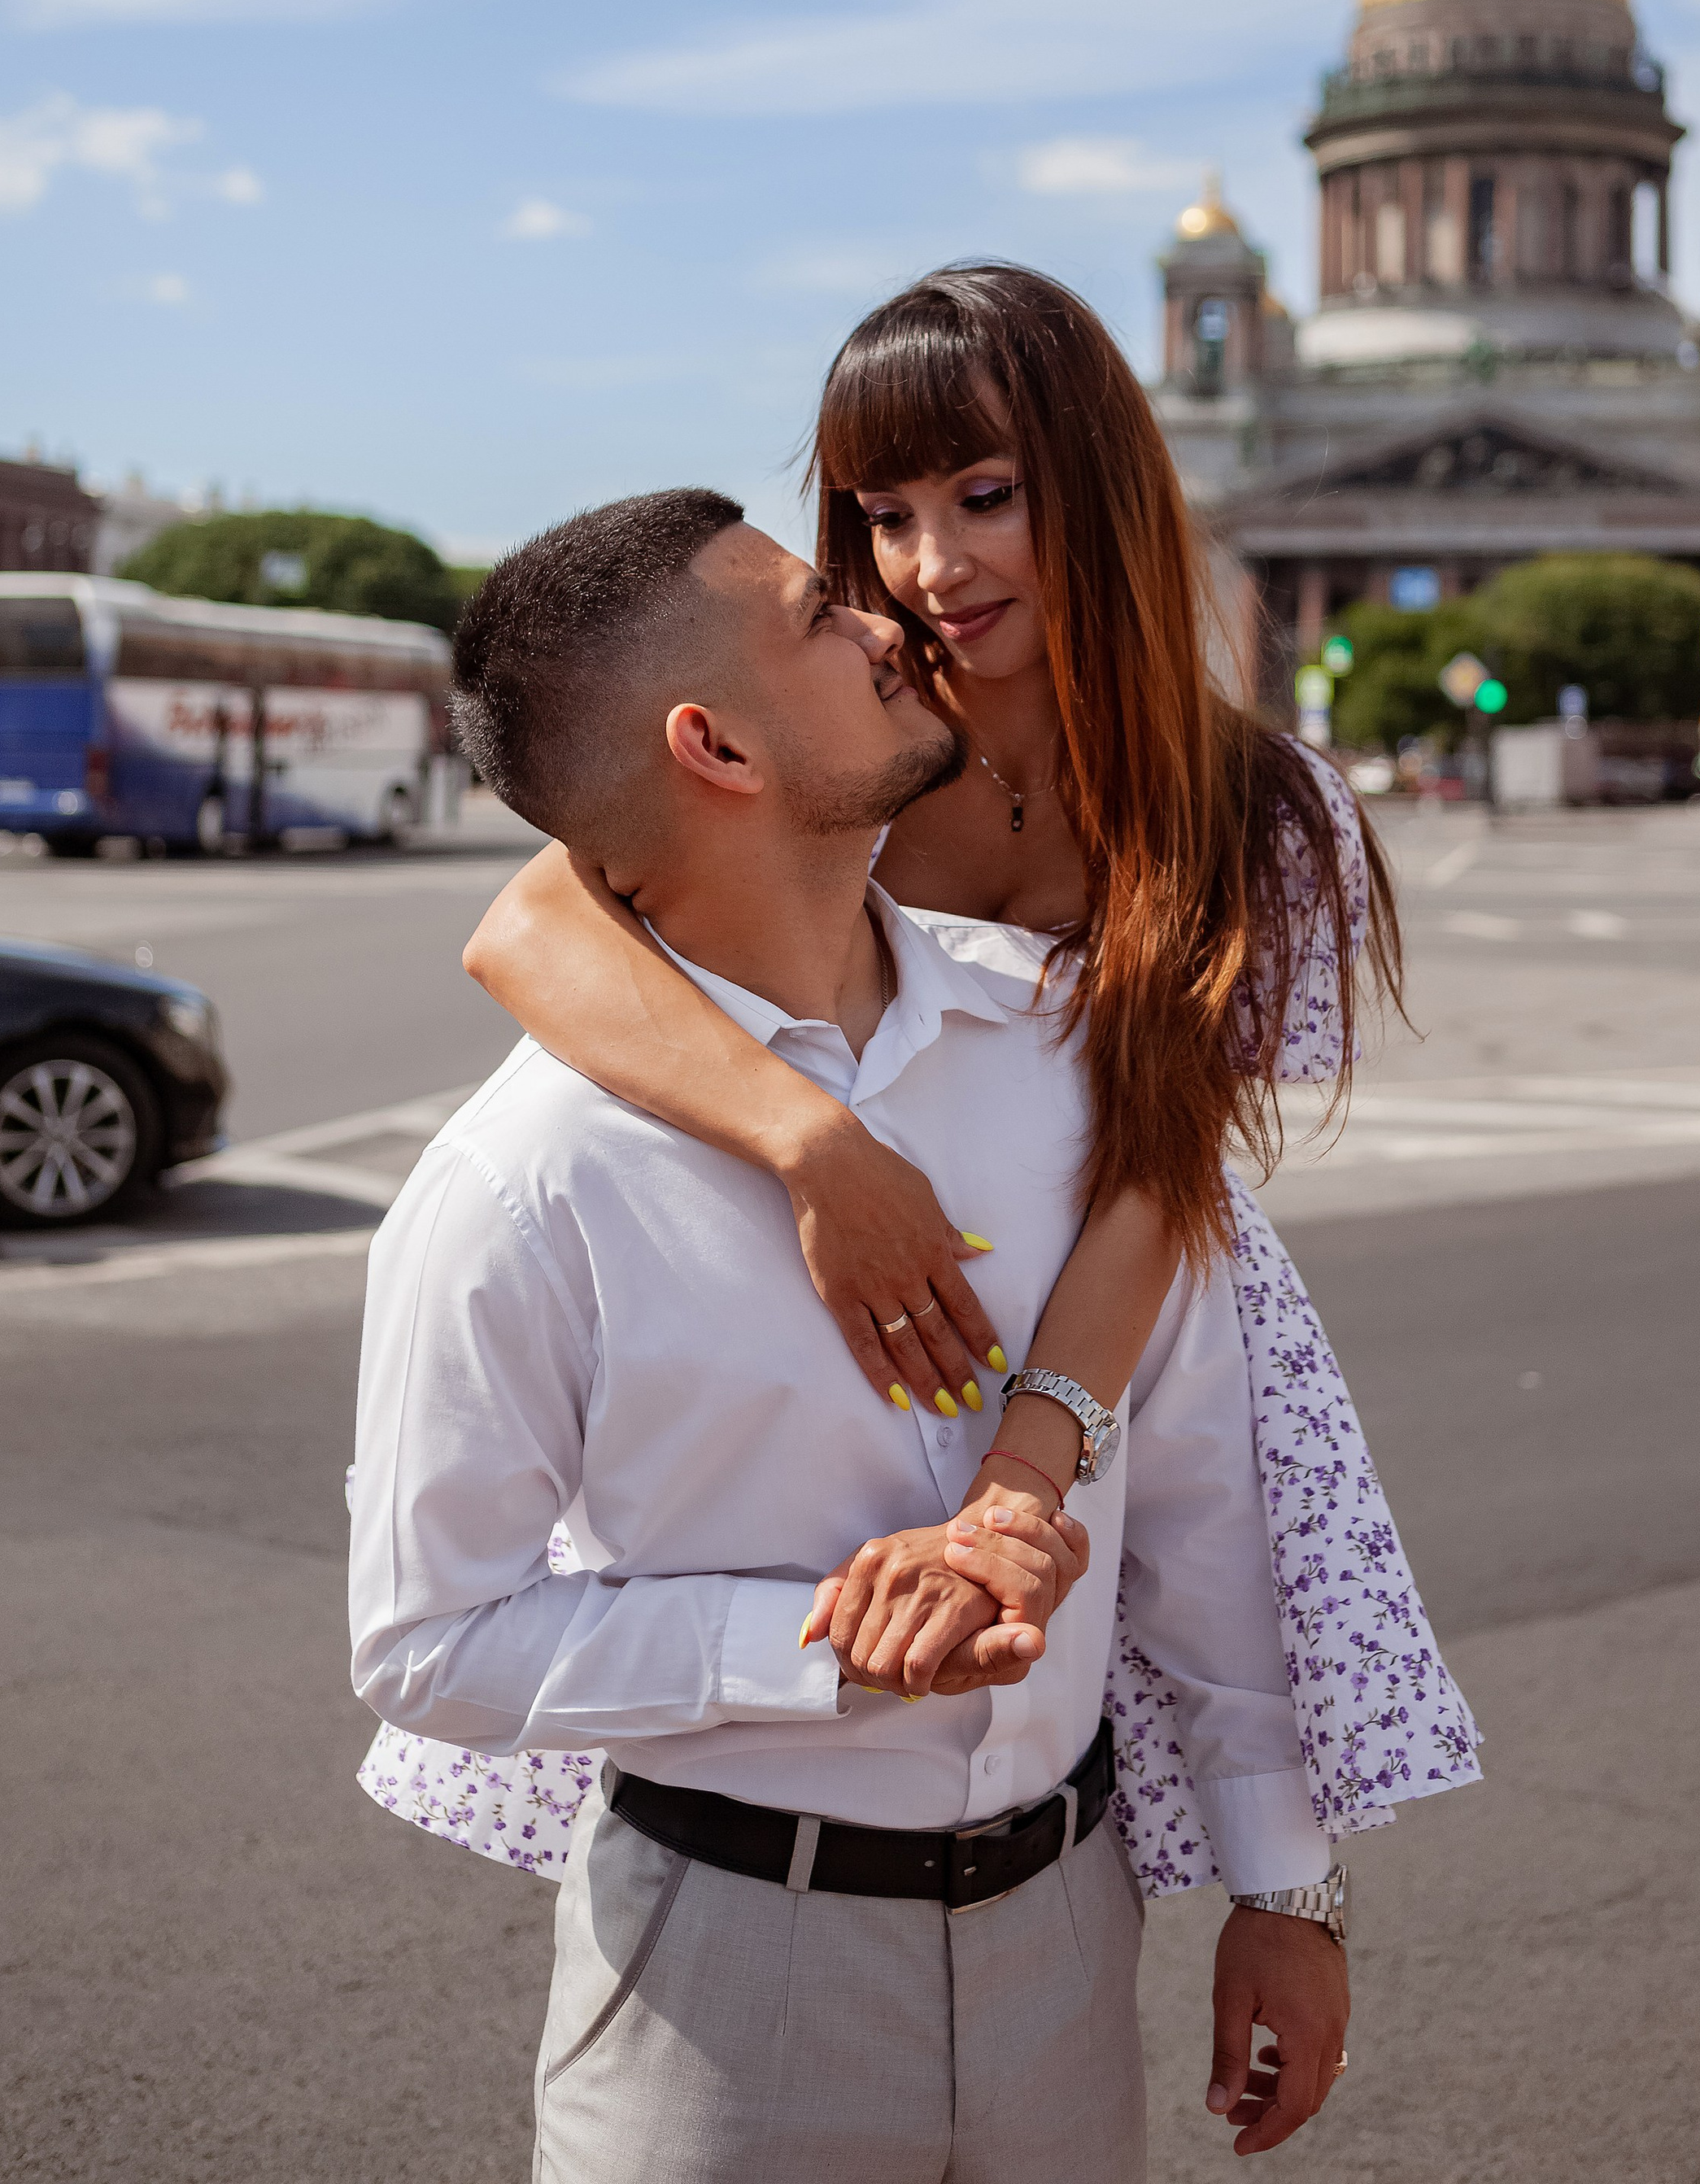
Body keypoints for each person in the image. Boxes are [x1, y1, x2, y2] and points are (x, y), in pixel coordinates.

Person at [359, 268, 1475, 1897]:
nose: (927, 568)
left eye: (985, 497)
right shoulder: (856, 733)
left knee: (1123, 1731)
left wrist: (1032, 1469)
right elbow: (528, 925)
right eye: (880, 514)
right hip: (847, 1299)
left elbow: (1160, 1178)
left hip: (1123, 1295)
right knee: (818, 1758)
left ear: (1093, 488)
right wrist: (819, 1152)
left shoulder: (1260, 811)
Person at [352, 490, 1354, 2177]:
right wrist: (814, 1648)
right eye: (824, 611)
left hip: (1069, 1936)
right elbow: (425, 1646)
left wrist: (1285, 1880)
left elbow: (1190, 1490)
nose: (896, 612)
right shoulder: (522, 1187)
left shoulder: (1063, 1068)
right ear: (715, 748)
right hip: (722, 1981)